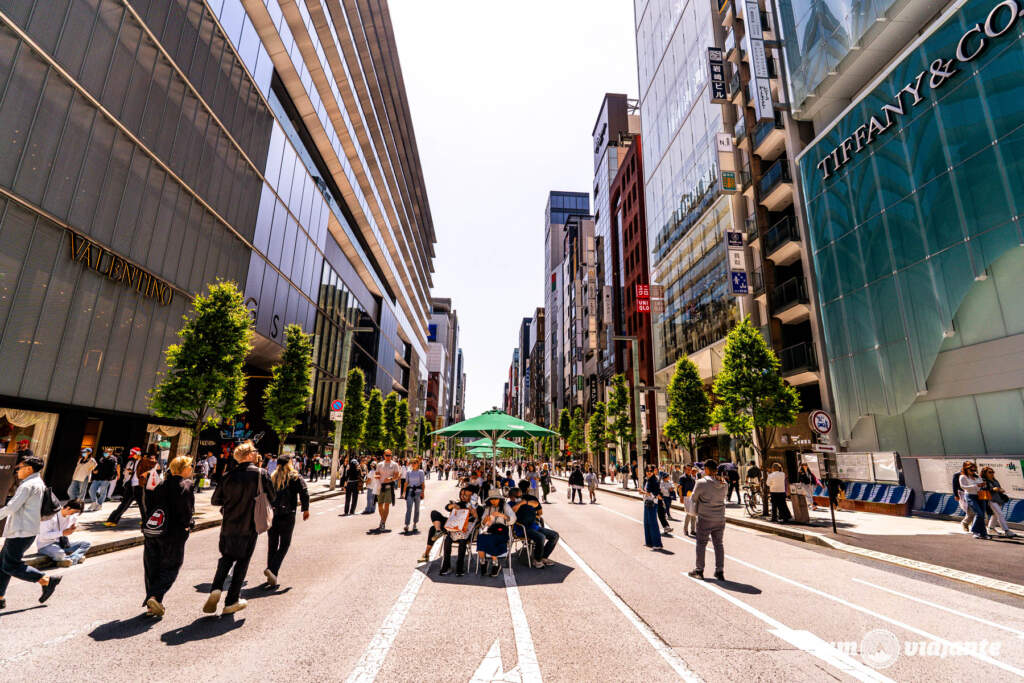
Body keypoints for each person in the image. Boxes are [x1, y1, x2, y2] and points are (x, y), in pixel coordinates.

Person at [204, 441, 274, 616]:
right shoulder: (261, 474)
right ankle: (231, 600)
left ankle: (216, 588)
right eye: (255, 451)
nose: (257, 454)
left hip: (229, 524)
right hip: (250, 525)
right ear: (249, 455)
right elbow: (272, 496)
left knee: (226, 557)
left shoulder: (228, 475)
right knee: (242, 562)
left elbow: (215, 500)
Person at [0, 455, 61, 609]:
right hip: (23, 530)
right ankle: (0, 596)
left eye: (19, 468)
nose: (17, 471)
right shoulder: (37, 482)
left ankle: (45, 580)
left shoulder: (28, 485)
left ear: (28, 468)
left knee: (10, 565)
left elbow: (11, 507)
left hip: (21, 531)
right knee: (3, 564)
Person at [141, 455, 195, 618]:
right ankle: (154, 597)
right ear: (184, 468)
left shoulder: (159, 483)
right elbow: (186, 509)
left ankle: (153, 604)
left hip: (153, 530)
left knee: (152, 566)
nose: (191, 469)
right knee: (171, 566)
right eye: (190, 466)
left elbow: (147, 504)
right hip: (174, 532)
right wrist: (188, 524)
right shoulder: (186, 484)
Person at [265, 455, 310, 588]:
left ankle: (271, 573)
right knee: (285, 544)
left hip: (272, 514)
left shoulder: (271, 477)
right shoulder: (295, 477)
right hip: (288, 514)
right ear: (290, 463)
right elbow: (304, 492)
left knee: (272, 544)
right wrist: (305, 509)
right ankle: (272, 570)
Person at [688, 461, 728, 580]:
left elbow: (694, 498)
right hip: (720, 517)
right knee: (718, 544)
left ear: (706, 469)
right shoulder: (724, 483)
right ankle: (719, 570)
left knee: (701, 544)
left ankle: (699, 570)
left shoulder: (701, 483)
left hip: (705, 517)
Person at [37, 500, 91, 567]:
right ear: (68, 508)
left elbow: (75, 520)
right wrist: (62, 533)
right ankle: (75, 558)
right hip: (46, 545)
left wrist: (74, 526)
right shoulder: (50, 516)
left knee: (86, 544)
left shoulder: (72, 516)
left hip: (62, 544)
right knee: (60, 554)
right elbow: (43, 536)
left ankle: (71, 559)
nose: (74, 515)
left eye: (76, 513)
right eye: (73, 513)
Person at [439, 487, 479, 576]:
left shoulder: (476, 506)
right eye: (463, 495)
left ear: (473, 496)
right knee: (448, 539)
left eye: (468, 495)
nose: (464, 497)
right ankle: (446, 566)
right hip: (455, 530)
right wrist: (453, 506)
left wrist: (471, 507)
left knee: (462, 541)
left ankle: (459, 567)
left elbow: (477, 518)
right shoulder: (459, 504)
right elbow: (447, 507)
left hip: (467, 532)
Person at [476, 492, 514, 577]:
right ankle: (483, 562)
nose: (494, 501)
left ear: (499, 499)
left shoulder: (505, 507)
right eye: (492, 499)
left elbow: (513, 519)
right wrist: (485, 520)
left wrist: (502, 515)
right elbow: (482, 523)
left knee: (491, 538)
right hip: (491, 529)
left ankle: (495, 563)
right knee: (481, 537)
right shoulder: (488, 508)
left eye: (496, 499)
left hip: (502, 530)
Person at [105, 447, 142, 526]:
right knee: (124, 504)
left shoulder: (143, 462)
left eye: (134, 455)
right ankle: (112, 520)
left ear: (138, 453)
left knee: (143, 505)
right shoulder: (134, 462)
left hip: (139, 486)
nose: (133, 456)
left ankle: (146, 521)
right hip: (131, 485)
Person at [980, 467, 1016, 538]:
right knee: (1000, 514)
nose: (992, 473)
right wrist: (992, 489)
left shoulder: (994, 480)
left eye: (993, 472)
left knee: (995, 515)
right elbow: (982, 489)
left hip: (998, 500)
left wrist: (1000, 490)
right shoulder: (983, 480)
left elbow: (999, 488)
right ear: (985, 473)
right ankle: (1006, 530)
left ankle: (991, 528)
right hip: (990, 500)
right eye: (990, 472)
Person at [958, 461, 990, 540]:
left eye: (974, 470)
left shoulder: (977, 476)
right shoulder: (963, 477)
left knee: (982, 515)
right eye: (971, 470)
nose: (973, 472)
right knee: (978, 513)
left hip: (980, 495)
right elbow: (964, 487)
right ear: (966, 469)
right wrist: (976, 485)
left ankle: (983, 533)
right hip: (970, 496)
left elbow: (981, 484)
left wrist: (983, 484)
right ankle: (975, 531)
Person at [374, 450, 401, 532]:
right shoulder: (379, 464)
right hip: (380, 487)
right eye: (387, 455)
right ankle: (383, 519)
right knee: (379, 505)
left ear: (391, 455)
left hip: (389, 487)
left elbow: (397, 475)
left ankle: (382, 522)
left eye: (389, 455)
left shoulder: (394, 464)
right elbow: (376, 474)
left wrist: (391, 478)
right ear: (384, 455)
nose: (388, 457)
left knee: (386, 505)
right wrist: (377, 477)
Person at [641, 465, 663, 549]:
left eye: (650, 471)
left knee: (653, 523)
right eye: (647, 471)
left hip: (652, 503)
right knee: (646, 522)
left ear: (654, 471)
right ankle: (649, 542)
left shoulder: (655, 480)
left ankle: (657, 544)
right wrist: (643, 492)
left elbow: (655, 493)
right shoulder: (647, 479)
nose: (649, 472)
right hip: (647, 502)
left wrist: (643, 492)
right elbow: (647, 491)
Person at [403, 458, 426, 533]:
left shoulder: (421, 472)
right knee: (408, 508)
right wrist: (404, 492)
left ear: (418, 464)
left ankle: (415, 524)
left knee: (417, 509)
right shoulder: (409, 472)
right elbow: (406, 483)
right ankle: (406, 524)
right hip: (410, 491)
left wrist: (423, 492)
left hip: (418, 492)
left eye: (415, 463)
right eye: (412, 463)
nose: (413, 464)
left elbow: (423, 483)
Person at [952, 467, 974, 532]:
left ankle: (973, 526)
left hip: (973, 494)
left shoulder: (973, 474)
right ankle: (965, 523)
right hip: (962, 494)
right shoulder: (957, 474)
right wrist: (956, 495)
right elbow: (955, 486)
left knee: (974, 510)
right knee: (969, 510)